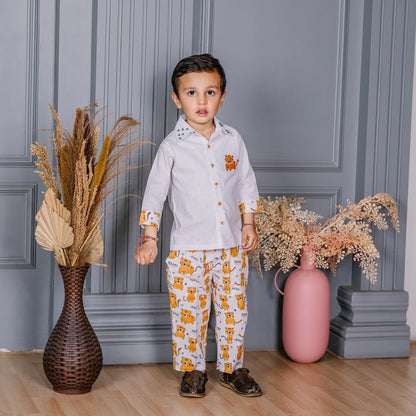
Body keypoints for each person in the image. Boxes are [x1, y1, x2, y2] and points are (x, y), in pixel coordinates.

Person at [135, 54, 262, 398]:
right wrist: (149, 237)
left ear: (222, 96)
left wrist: (248, 223)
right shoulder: (171, 147)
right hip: (188, 249)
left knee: (234, 310)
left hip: (232, 247)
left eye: (210, 92)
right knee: (189, 313)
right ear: (177, 99)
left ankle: (232, 368)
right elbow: (154, 195)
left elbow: (246, 183)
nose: (201, 101)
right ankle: (193, 371)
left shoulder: (233, 140)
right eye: (191, 93)